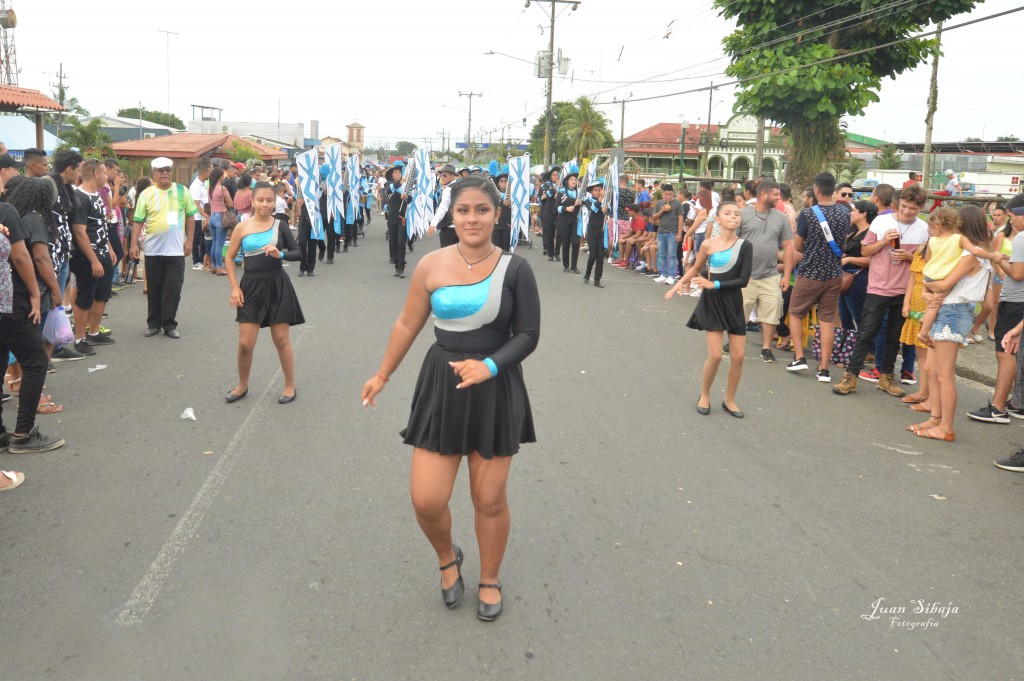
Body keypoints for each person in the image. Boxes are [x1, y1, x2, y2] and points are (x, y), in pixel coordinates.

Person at [360, 174, 540, 622]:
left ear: (498, 215)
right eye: (464, 210)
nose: (473, 218)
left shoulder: (516, 268)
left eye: (482, 210)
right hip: (442, 384)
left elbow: (530, 334)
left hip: (495, 387)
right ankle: (447, 558)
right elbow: (407, 324)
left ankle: (490, 577)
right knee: (426, 499)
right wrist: (383, 373)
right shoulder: (431, 265)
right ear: (452, 215)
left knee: (490, 498)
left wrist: (490, 365)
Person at [833, 184, 929, 396]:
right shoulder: (882, 221)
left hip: (904, 290)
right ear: (897, 203)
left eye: (912, 208)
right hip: (878, 287)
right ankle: (850, 377)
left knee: (895, 336)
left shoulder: (923, 229)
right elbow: (866, 250)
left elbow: (925, 261)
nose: (906, 211)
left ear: (921, 208)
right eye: (903, 206)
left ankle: (887, 377)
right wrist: (885, 241)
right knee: (866, 332)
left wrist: (909, 256)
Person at [908, 205, 992, 442]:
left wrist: (927, 286)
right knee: (932, 369)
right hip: (947, 309)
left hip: (953, 311)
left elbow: (942, 285)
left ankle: (946, 427)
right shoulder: (965, 251)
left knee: (944, 374)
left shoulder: (970, 254)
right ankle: (936, 418)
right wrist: (928, 290)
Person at [666, 200, 752, 417]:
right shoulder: (708, 245)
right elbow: (695, 268)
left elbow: (743, 280)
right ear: (718, 218)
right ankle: (704, 394)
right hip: (712, 303)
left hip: (733, 302)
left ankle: (729, 399)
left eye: (737, 214)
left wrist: (714, 284)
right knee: (715, 355)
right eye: (728, 213)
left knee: (739, 356)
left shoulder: (745, 245)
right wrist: (677, 285)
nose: (733, 217)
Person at [224, 183, 303, 405]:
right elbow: (229, 258)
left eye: (269, 200)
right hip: (249, 288)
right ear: (253, 201)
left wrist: (281, 254)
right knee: (245, 344)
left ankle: (289, 385)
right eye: (261, 200)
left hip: (277, 286)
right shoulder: (242, 227)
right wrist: (234, 287)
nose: (265, 205)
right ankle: (242, 385)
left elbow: (298, 253)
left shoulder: (281, 225)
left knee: (280, 339)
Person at [0, 188, 65, 453]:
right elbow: (22, 256)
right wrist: (35, 293)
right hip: (10, 300)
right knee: (36, 360)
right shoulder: (6, 211)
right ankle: (23, 433)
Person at [786, 172, 850, 382]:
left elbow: (798, 245)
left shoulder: (808, 214)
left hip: (810, 272)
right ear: (834, 190)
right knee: (827, 320)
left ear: (816, 189)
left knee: (796, 312)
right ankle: (824, 369)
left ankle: (799, 357)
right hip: (834, 274)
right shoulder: (844, 212)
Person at [966, 197, 1024, 424]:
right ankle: (1016, 403)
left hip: (1016, 301)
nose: (1010, 220)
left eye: (1011, 215)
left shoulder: (1020, 238)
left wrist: (998, 260)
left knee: (1005, 352)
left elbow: (1018, 274)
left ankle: (998, 407)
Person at [130, 157, 197, 339]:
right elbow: (137, 221)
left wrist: (189, 241)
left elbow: (191, 218)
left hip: (175, 251)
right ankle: (154, 323)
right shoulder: (146, 194)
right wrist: (133, 243)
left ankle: (169, 324)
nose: (165, 173)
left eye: (168, 169)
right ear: (154, 174)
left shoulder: (183, 191)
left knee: (173, 287)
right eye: (161, 170)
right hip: (153, 250)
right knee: (154, 289)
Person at [915, 207, 1001, 344]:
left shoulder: (935, 241)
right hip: (952, 306)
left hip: (936, 284)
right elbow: (945, 286)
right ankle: (924, 330)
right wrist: (995, 256)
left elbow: (928, 261)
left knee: (934, 302)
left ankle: (924, 322)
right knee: (936, 300)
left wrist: (926, 286)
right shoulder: (961, 243)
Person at [737, 179, 794, 363]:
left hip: (770, 274)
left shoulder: (780, 218)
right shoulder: (743, 214)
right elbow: (731, 242)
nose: (779, 198)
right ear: (763, 194)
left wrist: (786, 276)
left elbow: (788, 246)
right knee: (740, 311)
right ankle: (735, 342)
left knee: (771, 312)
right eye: (775, 194)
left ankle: (766, 348)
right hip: (745, 275)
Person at [70, 159, 115, 355]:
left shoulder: (97, 194)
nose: (107, 177)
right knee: (85, 296)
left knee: (102, 294)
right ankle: (79, 338)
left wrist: (109, 248)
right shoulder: (79, 198)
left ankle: (94, 332)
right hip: (86, 256)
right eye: (104, 173)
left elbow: (100, 226)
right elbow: (80, 233)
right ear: (96, 174)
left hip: (102, 251)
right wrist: (94, 260)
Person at [838, 199, 876, 331]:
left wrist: (849, 259)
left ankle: (865, 349)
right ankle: (847, 348)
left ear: (863, 214)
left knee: (858, 316)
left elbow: (871, 260)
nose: (851, 213)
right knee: (844, 317)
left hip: (858, 278)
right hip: (845, 277)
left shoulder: (870, 233)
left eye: (854, 210)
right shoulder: (854, 232)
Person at [208, 167, 235, 276]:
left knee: (214, 243)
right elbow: (231, 203)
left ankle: (214, 266)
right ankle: (219, 268)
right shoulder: (222, 188)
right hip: (220, 217)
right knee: (219, 244)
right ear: (220, 177)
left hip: (212, 216)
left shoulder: (210, 188)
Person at [581, 179, 607, 288]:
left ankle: (597, 280)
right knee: (592, 255)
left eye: (599, 190)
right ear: (591, 192)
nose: (597, 192)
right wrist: (601, 198)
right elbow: (594, 209)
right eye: (595, 190)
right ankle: (587, 274)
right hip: (592, 230)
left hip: (601, 230)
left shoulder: (605, 201)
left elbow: (608, 212)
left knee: (600, 257)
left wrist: (607, 209)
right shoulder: (588, 200)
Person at [556, 169, 582, 274]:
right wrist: (565, 209)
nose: (574, 181)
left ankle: (574, 266)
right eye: (571, 179)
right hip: (564, 220)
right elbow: (556, 207)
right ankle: (566, 265)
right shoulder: (561, 193)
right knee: (565, 243)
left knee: (576, 243)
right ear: (567, 181)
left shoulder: (579, 193)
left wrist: (581, 203)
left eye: (575, 179)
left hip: (575, 220)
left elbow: (585, 205)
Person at [190, 158, 211, 271]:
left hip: (202, 217)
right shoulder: (196, 186)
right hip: (197, 218)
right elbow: (196, 205)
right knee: (196, 240)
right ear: (205, 170)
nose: (211, 171)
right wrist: (207, 216)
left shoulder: (203, 184)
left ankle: (202, 261)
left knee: (203, 240)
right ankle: (196, 261)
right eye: (210, 168)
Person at [539, 168, 560, 260]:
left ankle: (557, 253)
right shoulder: (545, 186)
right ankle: (550, 253)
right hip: (548, 210)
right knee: (549, 231)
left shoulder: (562, 185)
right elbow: (545, 195)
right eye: (554, 175)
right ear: (550, 177)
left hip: (559, 211)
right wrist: (554, 188)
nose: (556, 176)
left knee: (559, 232)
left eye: (557, 175)